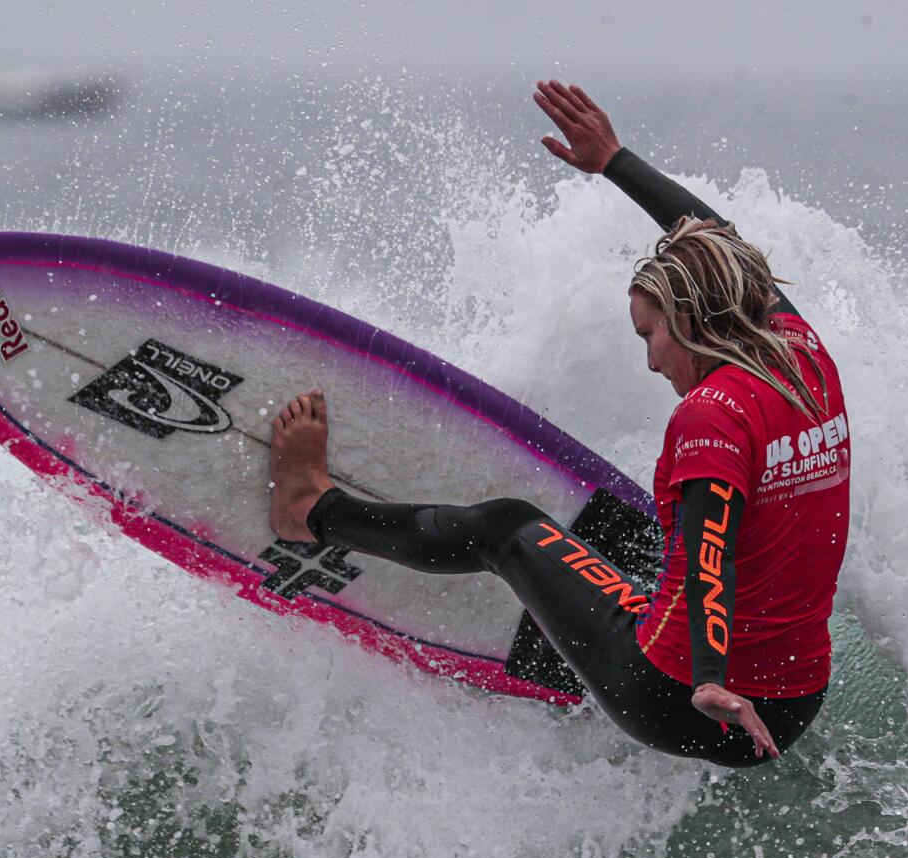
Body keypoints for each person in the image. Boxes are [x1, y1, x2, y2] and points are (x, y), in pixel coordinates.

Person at [267, 81, 851, 768]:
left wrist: (710, 679)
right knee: (630, 531)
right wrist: (614, 160)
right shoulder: (800, 349)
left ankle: (310, 509)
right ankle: (573, 645)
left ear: (690, 321)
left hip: (677, 699)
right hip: (793, 705)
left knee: (508, 527)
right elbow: (720, 241)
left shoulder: (712, 416)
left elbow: (705, 560)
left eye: (649, 335)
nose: (650, 361)